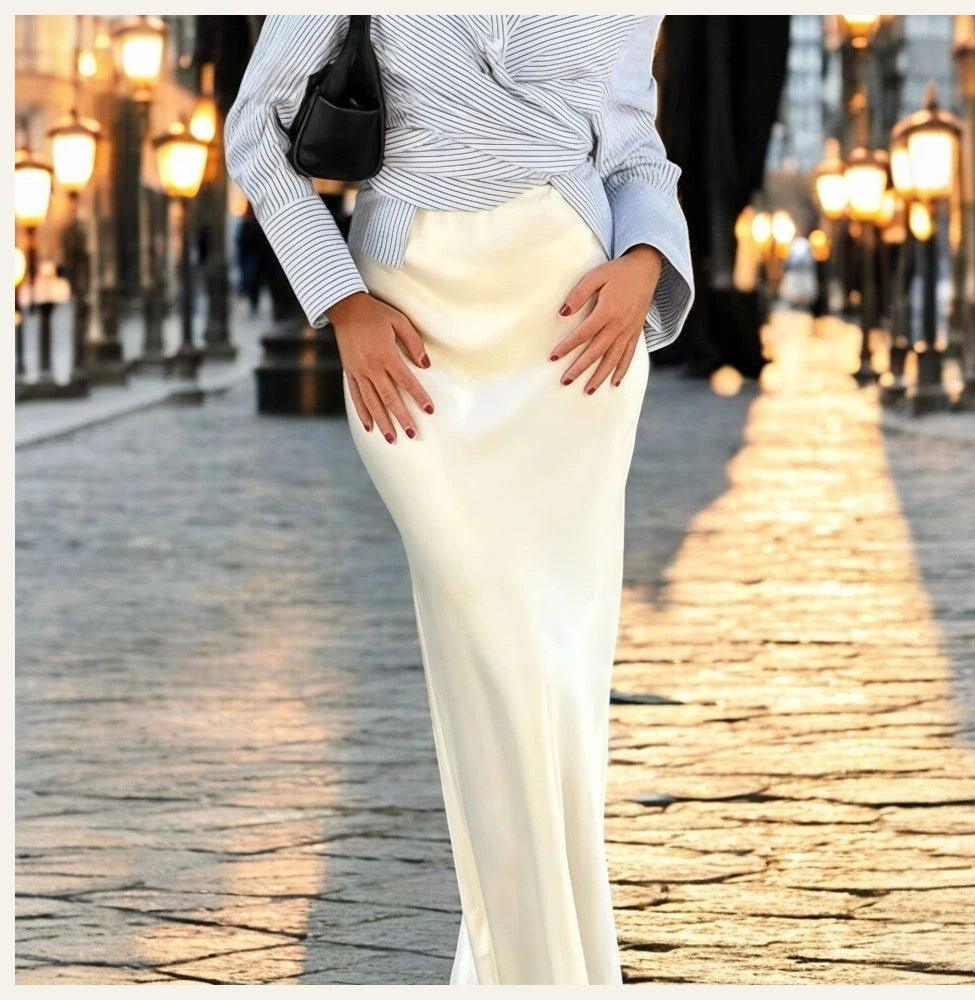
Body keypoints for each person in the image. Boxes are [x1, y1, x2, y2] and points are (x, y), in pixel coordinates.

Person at [225, 14, 693, 986]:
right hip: (412, 339)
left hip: (574, 337)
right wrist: (341, 301)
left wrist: (645, 265)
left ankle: (524, 971)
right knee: (499, 652)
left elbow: (633, 142)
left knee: (559, 679)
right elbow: (251, 132)